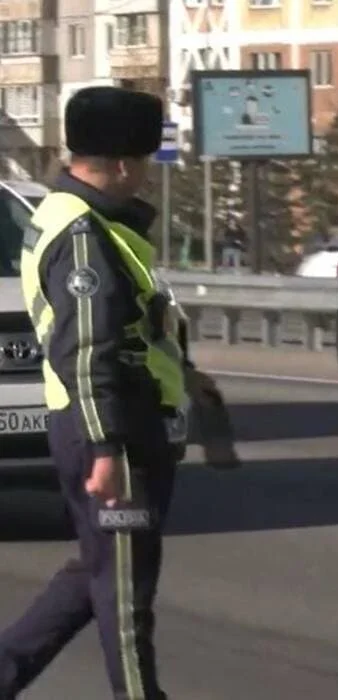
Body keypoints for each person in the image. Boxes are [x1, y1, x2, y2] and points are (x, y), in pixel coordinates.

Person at [0, 85, 186, 700]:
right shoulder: (83, 235)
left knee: (95, 572)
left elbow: (124, 327)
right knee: (125, 592)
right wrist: (106, 445)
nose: (147, 179)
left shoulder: (62, 214)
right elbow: (86, 349)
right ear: (126, 162)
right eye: (147, 163)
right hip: (113, 428)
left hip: (105, 420)